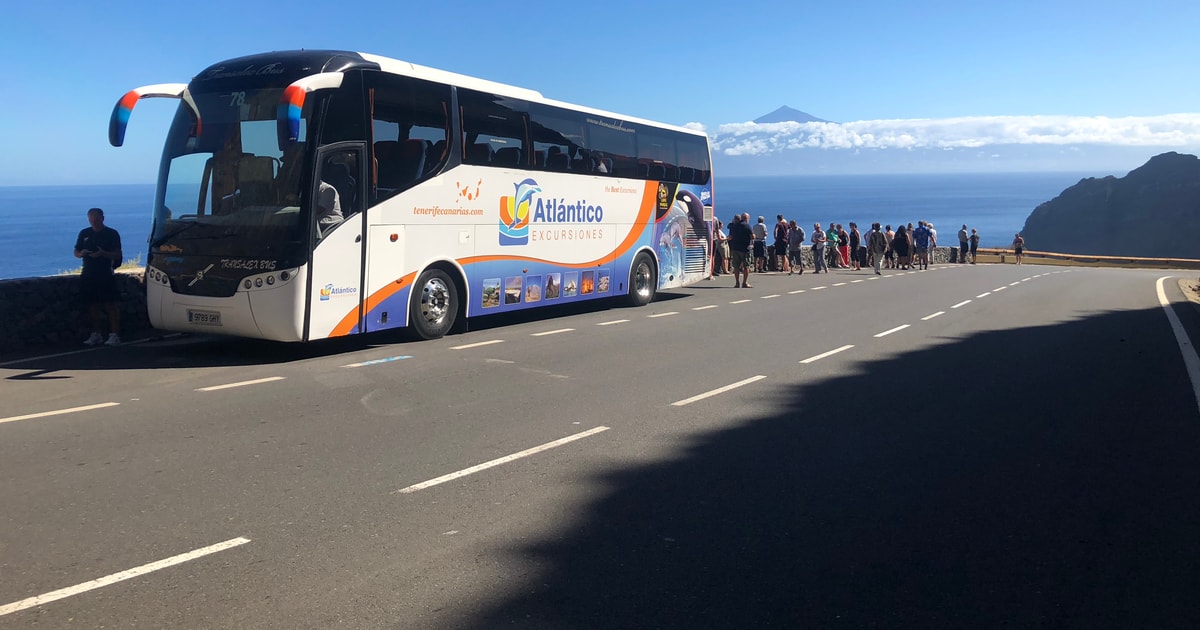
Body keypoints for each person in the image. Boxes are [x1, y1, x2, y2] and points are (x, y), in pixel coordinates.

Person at [74, 207, 123, 346]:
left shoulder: (111, 234)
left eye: (96, 219)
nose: (93, 222)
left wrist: (103, 253)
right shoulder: (84, 233)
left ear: (102, 218)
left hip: (105, 273)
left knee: (110, 304)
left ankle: (114, 335)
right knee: (91, 305)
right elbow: (76, 251)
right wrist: (81, 253)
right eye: (91, 220)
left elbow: (117, 254)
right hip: (88, 273)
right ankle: (96, 334)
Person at [727, 213, 754, 288]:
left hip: (735, 248)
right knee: (746, 266)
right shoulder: (747, 225)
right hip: (744, 248)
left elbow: (731, 236)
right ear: (746, 218)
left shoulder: (734, 226)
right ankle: (744, 282)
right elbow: (752, 236)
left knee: (736, 266)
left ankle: (737, 283)